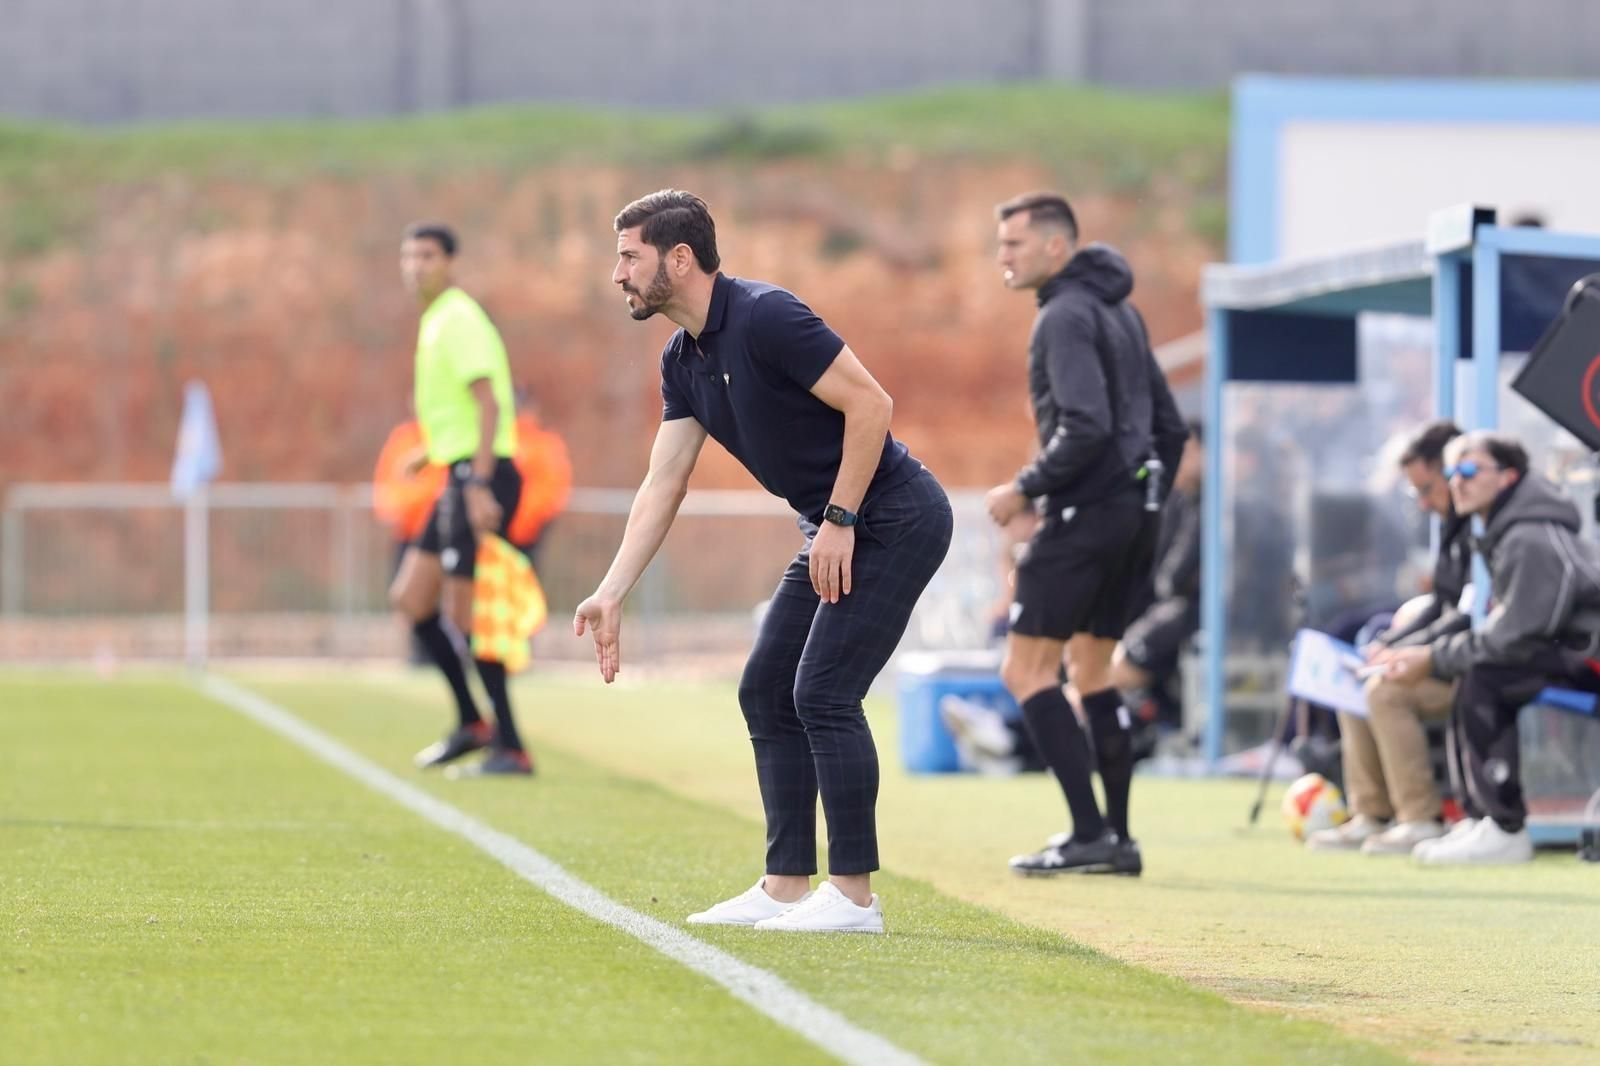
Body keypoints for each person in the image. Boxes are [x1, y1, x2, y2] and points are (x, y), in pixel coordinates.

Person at [574, 190, 952, 933]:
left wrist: (840, 519)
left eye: (628, 257)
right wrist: (612, 590)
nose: (617, 274)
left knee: (824, 693)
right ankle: (785, 886)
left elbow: (871, 405)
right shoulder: (681, 360)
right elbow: (664, 481)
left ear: (680, 259)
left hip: (894, 517)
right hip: (835, 524)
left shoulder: (766, 316)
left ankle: (853, 898)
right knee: (766, 688)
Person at [984, 191, 1187, 877]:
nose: (1002, 257)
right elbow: (1171, 430)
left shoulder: (1063, 315)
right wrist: (1144, 504)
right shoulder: (1122, 312)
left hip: (1083, 518)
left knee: (1025, 671)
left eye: (1013, 244)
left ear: (1055, 246)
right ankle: (1118, 840)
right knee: (1092, 673)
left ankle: (1087, 833)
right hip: (1132, 521)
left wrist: (1025, 487)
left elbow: (1087, 426)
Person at [1379, 431, 1600, 864]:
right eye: (1451, 472)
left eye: (1468, 470)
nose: (1456, 482)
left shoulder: (1530, 536)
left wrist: (1433, 656)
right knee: (1476, 671)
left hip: (1589, 657)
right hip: (1574, 652)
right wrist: (1420, 651)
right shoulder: (1506, 530)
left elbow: (1518, 633)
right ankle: (1483, 817)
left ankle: (1504, 826)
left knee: (1486, 676)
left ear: (1507, 476)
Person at [388, 222, 531, 777]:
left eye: (427, 255)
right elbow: (461, 411)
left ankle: (511, 746)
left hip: (481, 476)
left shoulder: (458, 317)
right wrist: (432, 452)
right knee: (412, 600)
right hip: (459, 471)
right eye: (409, 256)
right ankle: (473, 722)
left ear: (450, 262)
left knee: (470, 614)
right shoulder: (435, 320)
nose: (416, 266)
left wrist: (476, 483)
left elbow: (489, 402)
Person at [1307, 420, 1466, 855]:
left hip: (1470, 664)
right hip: (1445, 655)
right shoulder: (1453, 528)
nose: (1423, 503)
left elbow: (1467, 617)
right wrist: (1392, 645)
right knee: (1359, 680)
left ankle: (1418, 819)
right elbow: (1443, 605)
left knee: (1385, 692)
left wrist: (1411, 651)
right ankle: (1370, 814)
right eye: (1415, 493)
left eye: (1427, 489)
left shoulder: (1481, 528)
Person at [1109, 418, 1204, 738]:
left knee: (1110, 672)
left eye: (1186, 452)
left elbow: (1174, 578)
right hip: (1167, 609)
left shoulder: (1211, 505)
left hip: (1192, 615)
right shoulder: (1177, 502)